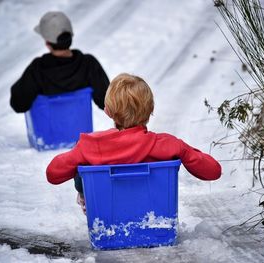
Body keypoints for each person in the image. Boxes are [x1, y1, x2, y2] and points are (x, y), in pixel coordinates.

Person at [46, 73, 222, 213]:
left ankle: (86, 196)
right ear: (151, 109)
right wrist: (184, 151)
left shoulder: (90, 145)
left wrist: (79, 157)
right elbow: (213, 171)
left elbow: (53, 174)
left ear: (107, 111)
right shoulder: (168, 144)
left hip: (108, 220)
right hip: (154, 220)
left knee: (81, 162)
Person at [10, 11, 110, 113]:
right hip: (82, 128)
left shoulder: (37, 70)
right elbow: (108, 102)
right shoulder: (89, 64)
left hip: (46, 128)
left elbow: (18, 104)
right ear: (71, 36)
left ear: (47, 43)